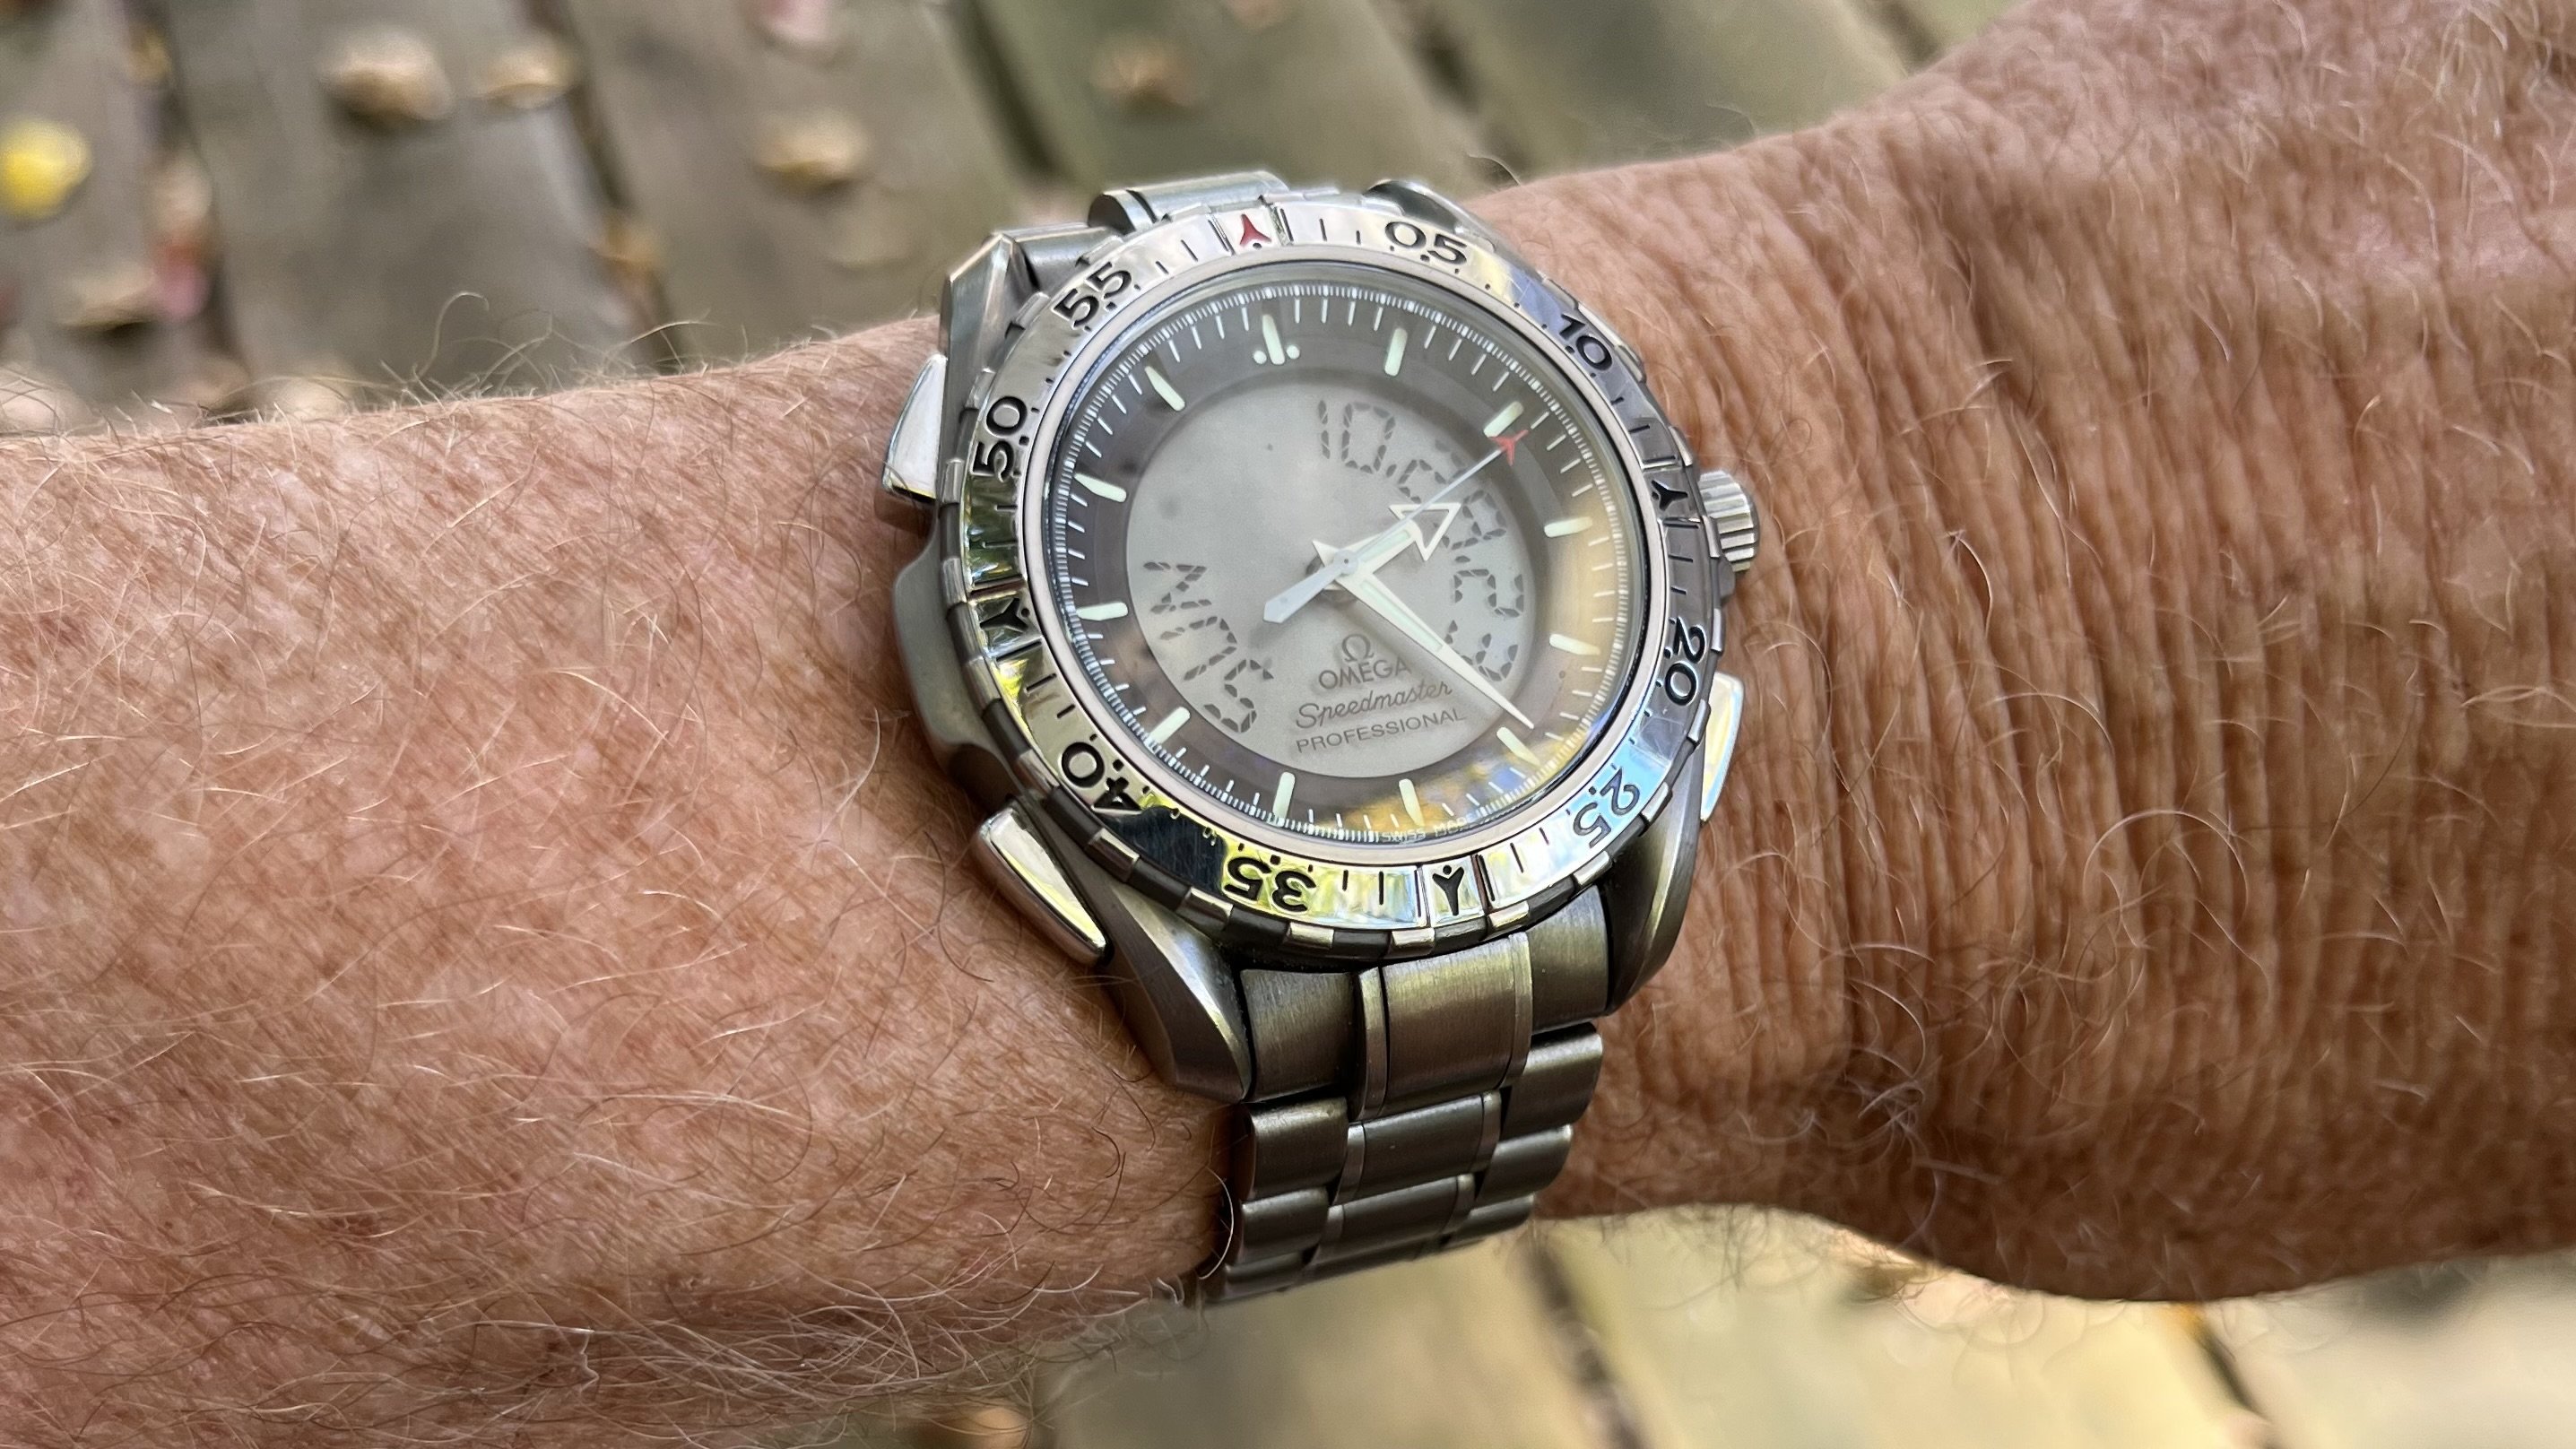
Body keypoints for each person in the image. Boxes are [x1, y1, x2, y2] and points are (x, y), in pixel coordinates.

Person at [1, 0, 2569, 1439]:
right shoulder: (998, 625)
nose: (1347, 565)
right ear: (986, 692)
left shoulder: (1616, 596)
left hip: (1510, 800)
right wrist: (1971, 550)